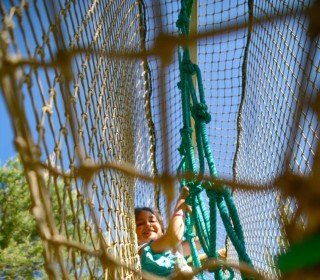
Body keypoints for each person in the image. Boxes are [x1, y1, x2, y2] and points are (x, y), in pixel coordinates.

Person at [135, 186, 195, 279]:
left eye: (152, 221)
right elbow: (174, 236)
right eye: (140, 223)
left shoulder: (173, 251)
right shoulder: (143, 252)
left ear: (162, 229)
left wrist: (193, 216)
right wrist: (181, 201)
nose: (147, 225)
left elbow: (201, 241)